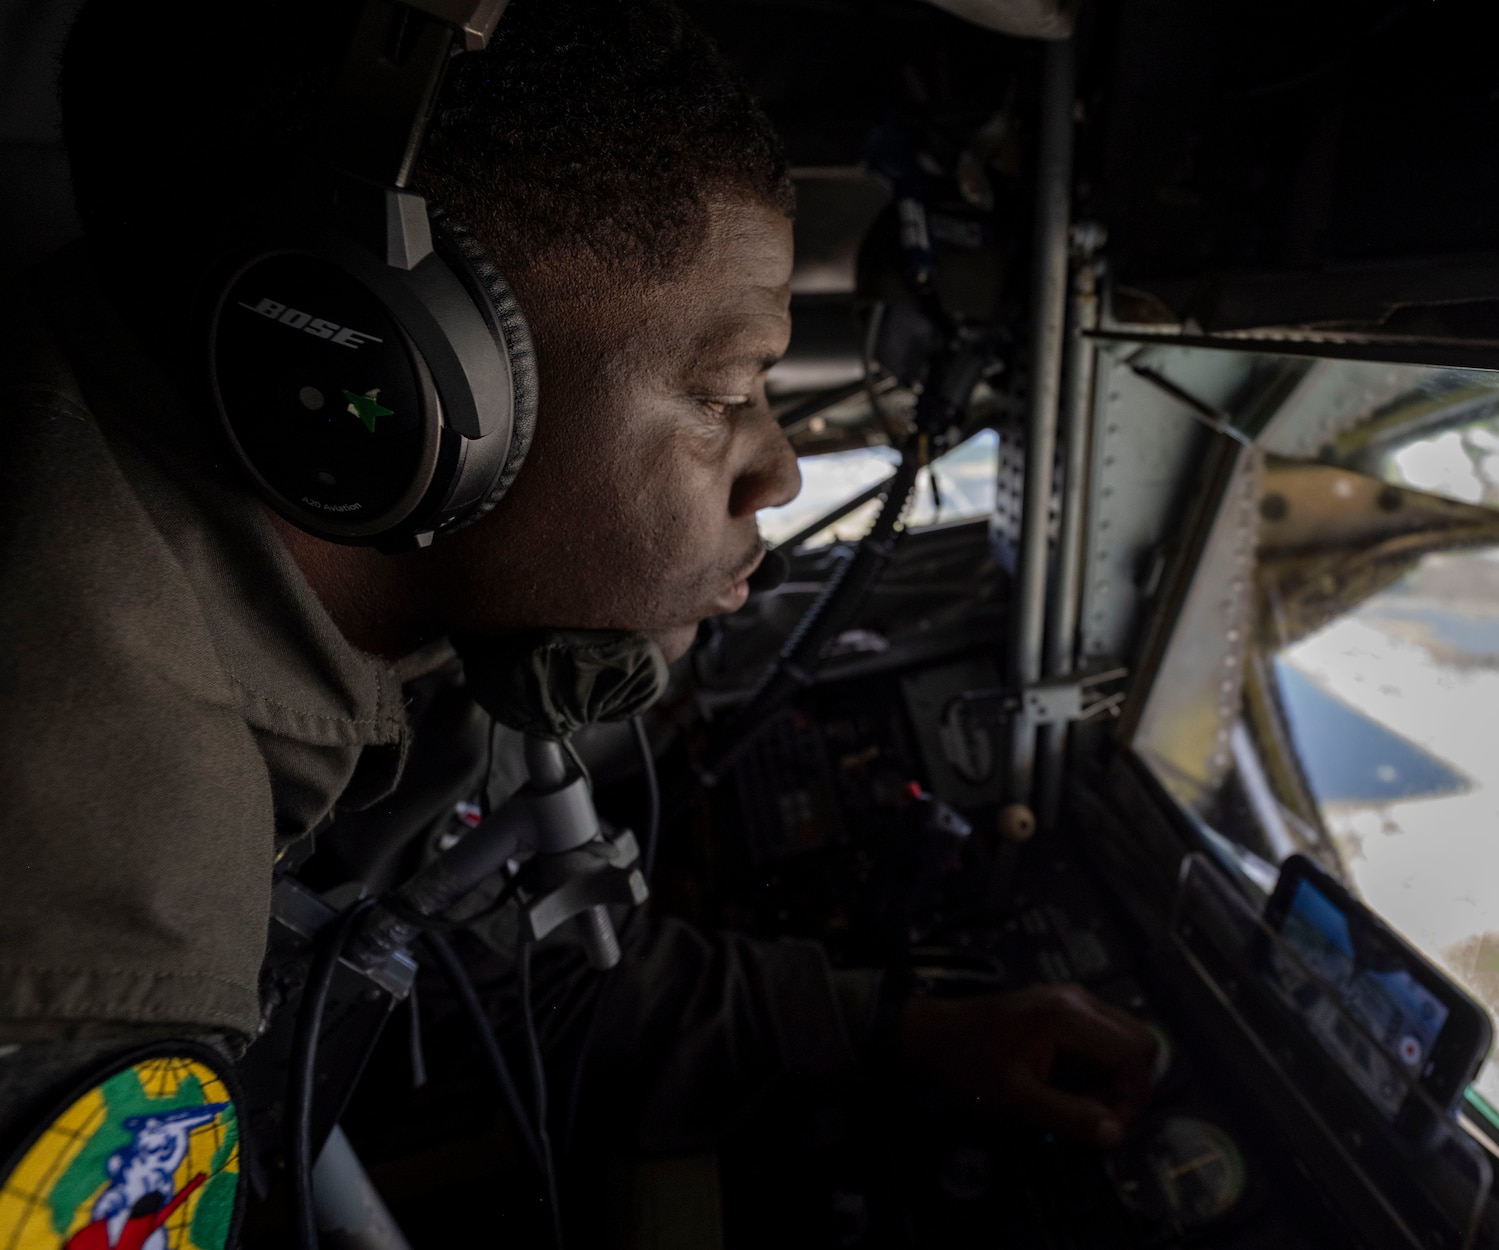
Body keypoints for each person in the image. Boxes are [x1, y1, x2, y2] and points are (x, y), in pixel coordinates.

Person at [0, 0, 1152, 1210]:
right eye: (727, 391)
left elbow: (513, 969)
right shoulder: (89, 913)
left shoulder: (351, 597)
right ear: (377, 369)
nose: (781, 470)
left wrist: (905, 1033)